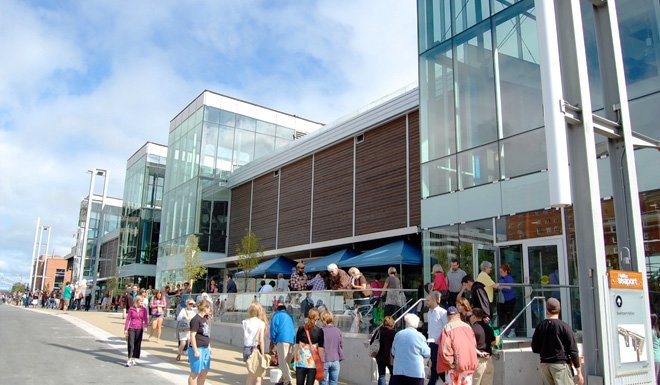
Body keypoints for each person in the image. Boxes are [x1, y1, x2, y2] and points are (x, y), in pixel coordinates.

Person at [531, 298, 583, 385]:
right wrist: (579, 372)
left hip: (545, 365)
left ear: (547, 310)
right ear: (559, 310)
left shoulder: (540, 326)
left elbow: (535, 348)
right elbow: (573, 350)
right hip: (560, 366)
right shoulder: (564, 327)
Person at [437, 306, 478, 385]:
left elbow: (444, 350)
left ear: (448, 317)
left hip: (454, 367)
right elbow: (474, 345)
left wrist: (451, 363)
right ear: (458, 315)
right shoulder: (468, 327)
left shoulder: (447, 328)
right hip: (469, 365)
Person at [390, 313, 430, 385]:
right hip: (415, 373)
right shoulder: (420, 336)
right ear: (416, 324)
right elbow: (427, 353)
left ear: (406, 323)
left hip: (399, 372)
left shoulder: (398, 334)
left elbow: (393, 352)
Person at [294, 308, 325, 385]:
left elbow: (296, 346)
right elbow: (320, 350)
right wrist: (322, 362)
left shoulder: (301, 329)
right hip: (313, 364)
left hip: (300, 362)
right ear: (317, 318)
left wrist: (295, 360)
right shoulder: (319, 331)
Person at [270, 300, 296, 385]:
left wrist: (273, 340)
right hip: (291, 340)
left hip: (282, 339)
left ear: (277, 309)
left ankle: (288, 380)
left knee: (282, 361)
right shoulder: (289, 316)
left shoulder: (276, 315)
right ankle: (283, 379)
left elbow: (273, 329)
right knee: (287, 361)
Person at [426, 292, 448, 385]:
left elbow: (446, 327)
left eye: (428, 300)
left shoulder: (442, 312)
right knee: (434, 365)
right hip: (431, 342)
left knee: (435, 366)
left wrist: (440, 339)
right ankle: (446, 381)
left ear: (434, 301)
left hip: (439, 343)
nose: (426, 302)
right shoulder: (429, 312)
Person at [470, 308, 496, 385]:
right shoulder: (489, 328)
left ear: (474, 316)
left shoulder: (472, 329)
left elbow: (470, 345)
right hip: (489, 360)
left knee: (475, 382)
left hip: (477, 360)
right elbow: (493, 342)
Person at [243, 302, 267, 385]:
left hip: (246, 349)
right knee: (258, 376)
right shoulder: (261, 323)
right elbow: (261, 340)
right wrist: (263, 353)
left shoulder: (245, 322)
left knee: (250, 375)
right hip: (256, 349)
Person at [189, 300, 212, 385]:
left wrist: (209, 346)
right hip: (198, 348)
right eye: (209, 307)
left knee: (204, 371)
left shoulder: (204, 319)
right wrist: (195, 351)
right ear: (205, 308)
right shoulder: (195, 319)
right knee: (195, 373)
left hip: (205, 348)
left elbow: (206, 334)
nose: (210, 310)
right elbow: (192, 335)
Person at [124, 295, 149, 367]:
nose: (142, 302)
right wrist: (126, 329)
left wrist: (145, 326)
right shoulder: (131, 309)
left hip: (139, 328)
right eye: (140, 301)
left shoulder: (144, 309)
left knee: (137, 344)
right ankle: (129, 359)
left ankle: (134, 359)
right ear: (137, 301)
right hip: (132, 328)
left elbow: (145, 319)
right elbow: (128, 319)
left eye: (142, 301)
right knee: (131, 344)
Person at [319, 311, 343, 385]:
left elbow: (319, 347)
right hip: (336, 360)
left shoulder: (321, 331)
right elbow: (341, 345)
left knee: (323, 382)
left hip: (324, 360)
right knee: (334, 382)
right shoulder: (338, 331)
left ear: (323, 320)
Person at [372, 316, 397, 385]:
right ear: (392, 324)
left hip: (379, 356)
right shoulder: (394, 333)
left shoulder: (379, 331)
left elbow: (372, 342)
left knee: (382, 375)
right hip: (390, 357)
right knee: (393, 374)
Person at [497, 264, 516, 333]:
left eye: (501, 272)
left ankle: (512, 331)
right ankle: (503, 331)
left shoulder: (509, 278)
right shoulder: (501, 279)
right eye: (500, 272)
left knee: (509, 316)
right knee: (502, 316)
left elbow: (509, 287)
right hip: (502, 301)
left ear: (506, 271)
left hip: (510, 300)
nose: (500, 273)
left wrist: (502, 287)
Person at [652, 314, 660, 384]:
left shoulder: (651, 332)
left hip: (654, 357)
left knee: (653, 378)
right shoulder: (658, 332)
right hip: (658, 357)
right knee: (657, 378)